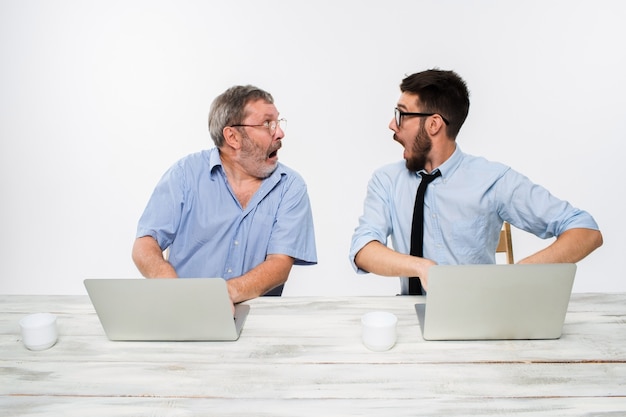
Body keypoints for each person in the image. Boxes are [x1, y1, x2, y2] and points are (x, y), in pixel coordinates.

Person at [349, 69, 602, 295]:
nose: (392, 124)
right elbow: (363, 250)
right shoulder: (386, 180)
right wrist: (421, 267)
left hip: (481, 320)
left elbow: (585, 230)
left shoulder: (492, 179)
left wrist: (520, 274)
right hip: (411, 322)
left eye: (402, 114)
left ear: (434, 124)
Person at [132, 85, 317, 304]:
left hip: (258, 324)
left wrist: (221, 297)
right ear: (233, 137)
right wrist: (171, 287)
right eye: (268, 123)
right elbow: (145, 243)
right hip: (183, 313)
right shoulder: (185, 175)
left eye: (278, 122)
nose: (279, 132)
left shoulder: (290, 186)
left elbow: (279, 264)